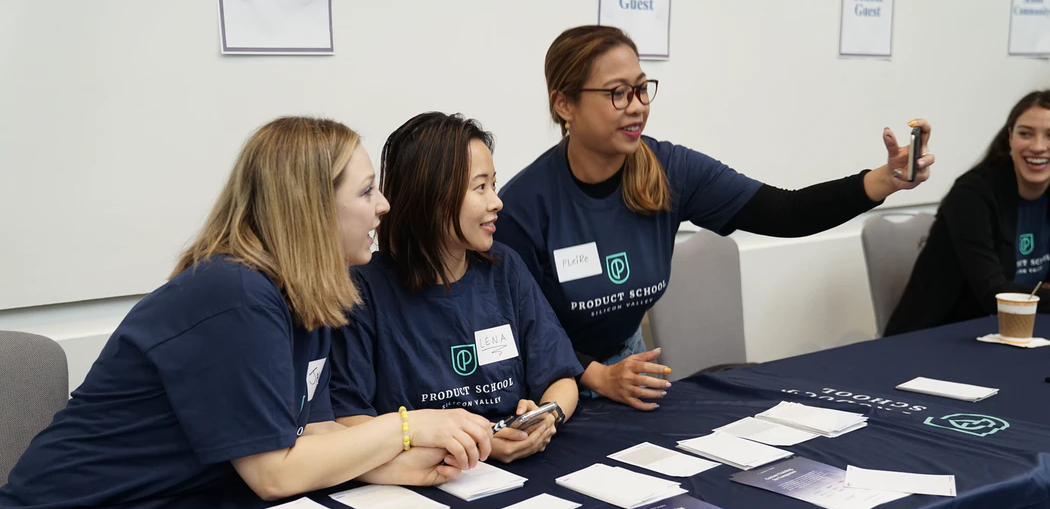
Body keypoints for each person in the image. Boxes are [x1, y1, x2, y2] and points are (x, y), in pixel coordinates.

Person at [0, 117, 493, 509]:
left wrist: (394, 463)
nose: (384, 205)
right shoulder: (234, 294)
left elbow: (315, 432)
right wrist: (405, 427)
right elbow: (274, 472)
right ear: (311, 207)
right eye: (366, 192)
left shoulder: (309, 292)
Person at [495, 25, 935, 411]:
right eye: (617, 93)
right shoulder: (525, 207)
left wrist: (883, 180)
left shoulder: (672, 171)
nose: (636, 106)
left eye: (642, 88)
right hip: (554, 388)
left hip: (631, 375)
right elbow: (524, 332)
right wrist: (596, 377)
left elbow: (786, 212)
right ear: (565, 105)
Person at [329, 112, 583, 464]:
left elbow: (562, 379)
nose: (497, 202)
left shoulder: (504, 268)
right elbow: (349, 420)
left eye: (494, 185)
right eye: (480, 188)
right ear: (430, 198)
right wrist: (479, 444)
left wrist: (544, 417)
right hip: (420, 480)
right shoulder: (365, 290)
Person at [885, 91, 1050, 335]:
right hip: (943, 338)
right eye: (1025, 133)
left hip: (1022, 332)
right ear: (1009, 139)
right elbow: (994, 294)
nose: (1037, 146)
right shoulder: (972, 195)